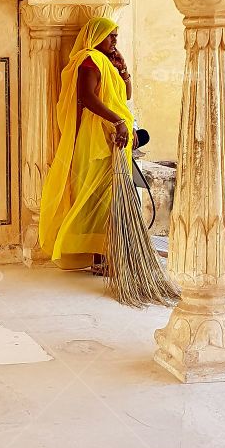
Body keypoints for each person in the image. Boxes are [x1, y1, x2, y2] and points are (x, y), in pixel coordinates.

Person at [39, 16, 135, 270]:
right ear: (96, 37)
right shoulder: (90, 59)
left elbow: (125, 94)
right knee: (94, 198)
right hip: (96, 139)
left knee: (110, 197)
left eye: (116, 36)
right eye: (111, 36)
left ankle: (104, 257)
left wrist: (122, 68)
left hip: (111, 137)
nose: (115, 41)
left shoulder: (106, 62)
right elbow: (87, 97)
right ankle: (96, 257)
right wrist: (118, 121)